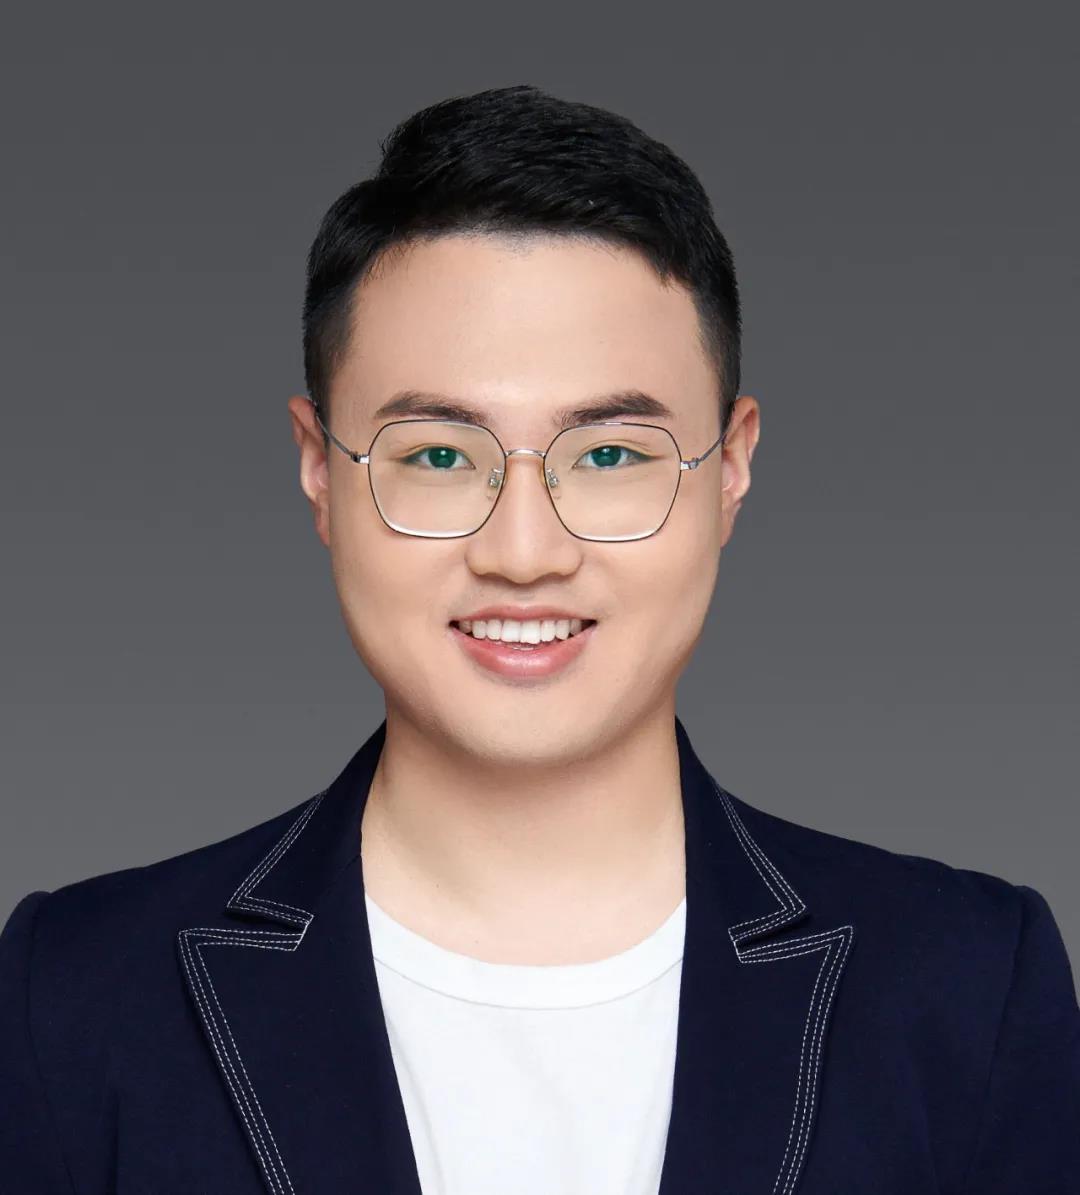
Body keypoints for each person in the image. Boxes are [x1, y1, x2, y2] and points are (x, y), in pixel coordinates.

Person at [2, 83, 1078, 1195]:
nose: (523, 551)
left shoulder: (967, 992)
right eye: (437, 455)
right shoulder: (73, 997)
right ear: (320, 469)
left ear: (731, 469)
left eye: (610, 456)